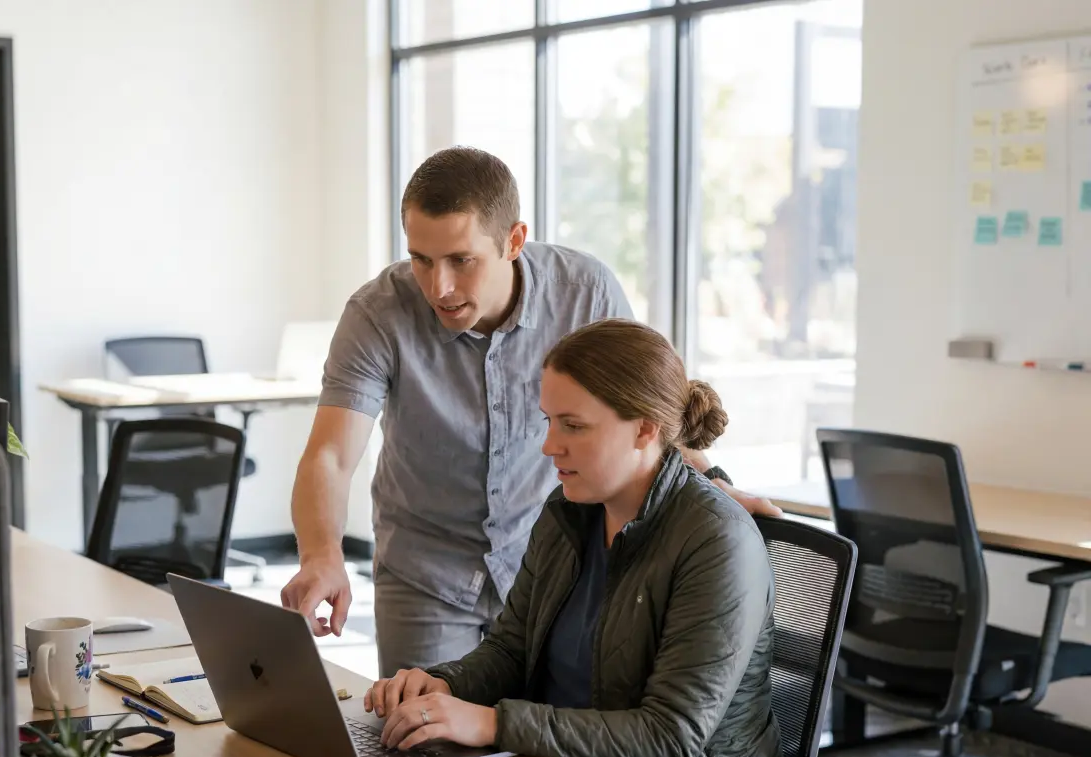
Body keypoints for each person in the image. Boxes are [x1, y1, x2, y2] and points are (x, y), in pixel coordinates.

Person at [281, 146, 781, 677]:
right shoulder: (378, 313)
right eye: (421, 259)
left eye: (461, 260)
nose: (438, 287)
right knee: (418, 740)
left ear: (513, 241)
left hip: (554, 569)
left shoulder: (584, 293)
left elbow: (648, 413)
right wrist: (320, 554)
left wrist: (716, 484)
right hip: (426, 574)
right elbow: (332, 454)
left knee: (542, 740)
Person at [363, 319, 792, 757]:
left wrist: (492, 725)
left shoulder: (716, 542)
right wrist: (445, 684)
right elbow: (512, 649)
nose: (549, 446)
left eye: (573, 425)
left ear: (644, 428)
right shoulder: (570, 513)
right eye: (548, 422)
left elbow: (669, 738)